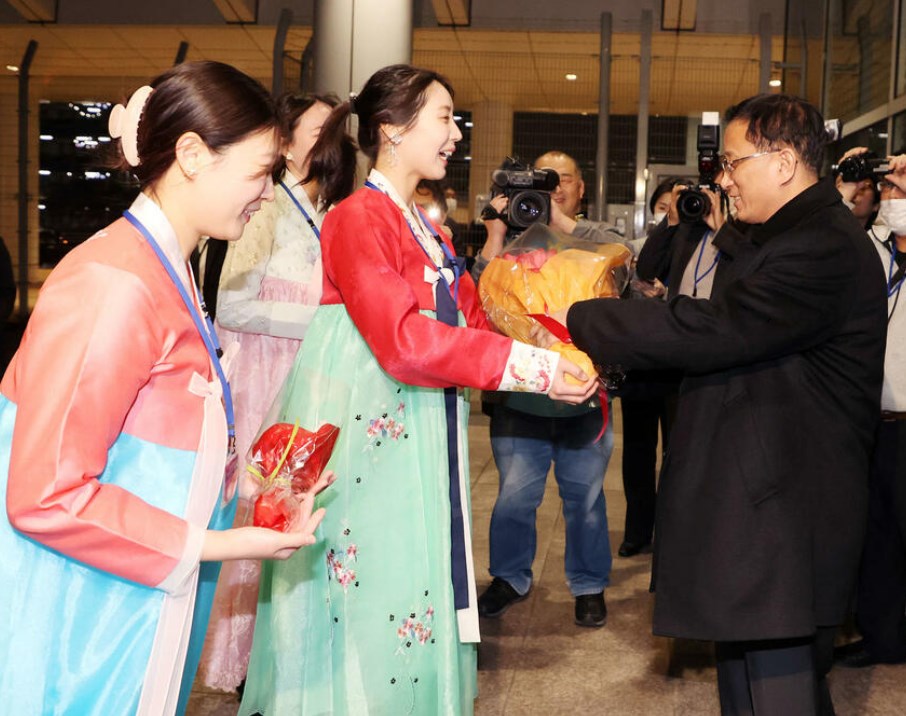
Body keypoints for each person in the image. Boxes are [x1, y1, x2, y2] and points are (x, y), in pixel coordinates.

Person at [238, 65, 596, 715]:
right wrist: (535, 369)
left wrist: (556, 353)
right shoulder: (356, 219)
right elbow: (401, 340)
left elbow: (475, 317)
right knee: (373, 575)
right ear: (392, 130)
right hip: (373, 430)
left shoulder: (422, 225)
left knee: (410, 573)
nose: (455, 134)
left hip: (416, 424)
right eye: (442, 118)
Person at [0, 61, 331, 715]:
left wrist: (256, 497)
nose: (268, 192)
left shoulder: (161, 267)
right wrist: (221, 545)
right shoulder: (116, 284)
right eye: (261, 170)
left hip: (129, 591)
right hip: (87, 619)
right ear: (191, 154)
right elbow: (43, 495)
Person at [565, 93, 887, 715]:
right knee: (745, 688)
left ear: (785, 162)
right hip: (759, 507)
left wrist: (584, 317)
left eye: (734, 163)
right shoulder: (783, 235)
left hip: (785, 518)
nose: (724, 178)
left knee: (780, 694)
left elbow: (718, 329)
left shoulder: (822, 246)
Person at [196, 92, 356, 694]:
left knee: (291, 508)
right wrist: (317, 317)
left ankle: (274, 651)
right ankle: (237, 661)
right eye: (319, 130)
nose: (330, 142)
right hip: (264, 374)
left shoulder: (316, 207)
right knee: (256, 506)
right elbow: (233, 304)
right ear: (283, 140)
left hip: (299, 370)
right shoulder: (263, 206)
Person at [473, 150, 626, 628]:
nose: (551, 189)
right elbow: (480, 303)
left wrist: (558, 223)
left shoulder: (599, 240)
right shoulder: (510, 237)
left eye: (561, 180)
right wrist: (498, 232)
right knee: (515, 496)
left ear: (581, 188)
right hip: (520, 398)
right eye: (540, 183)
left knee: (585, 498)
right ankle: (509, 577)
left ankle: (588, 583)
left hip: (582, 398)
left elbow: (629, 270)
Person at [835, 150, 906, 668]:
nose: (895, 193)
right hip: (867, 420)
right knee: (874, 536)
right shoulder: (867, 250)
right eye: (891, 185)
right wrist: (843, 183)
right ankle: (883, 639)